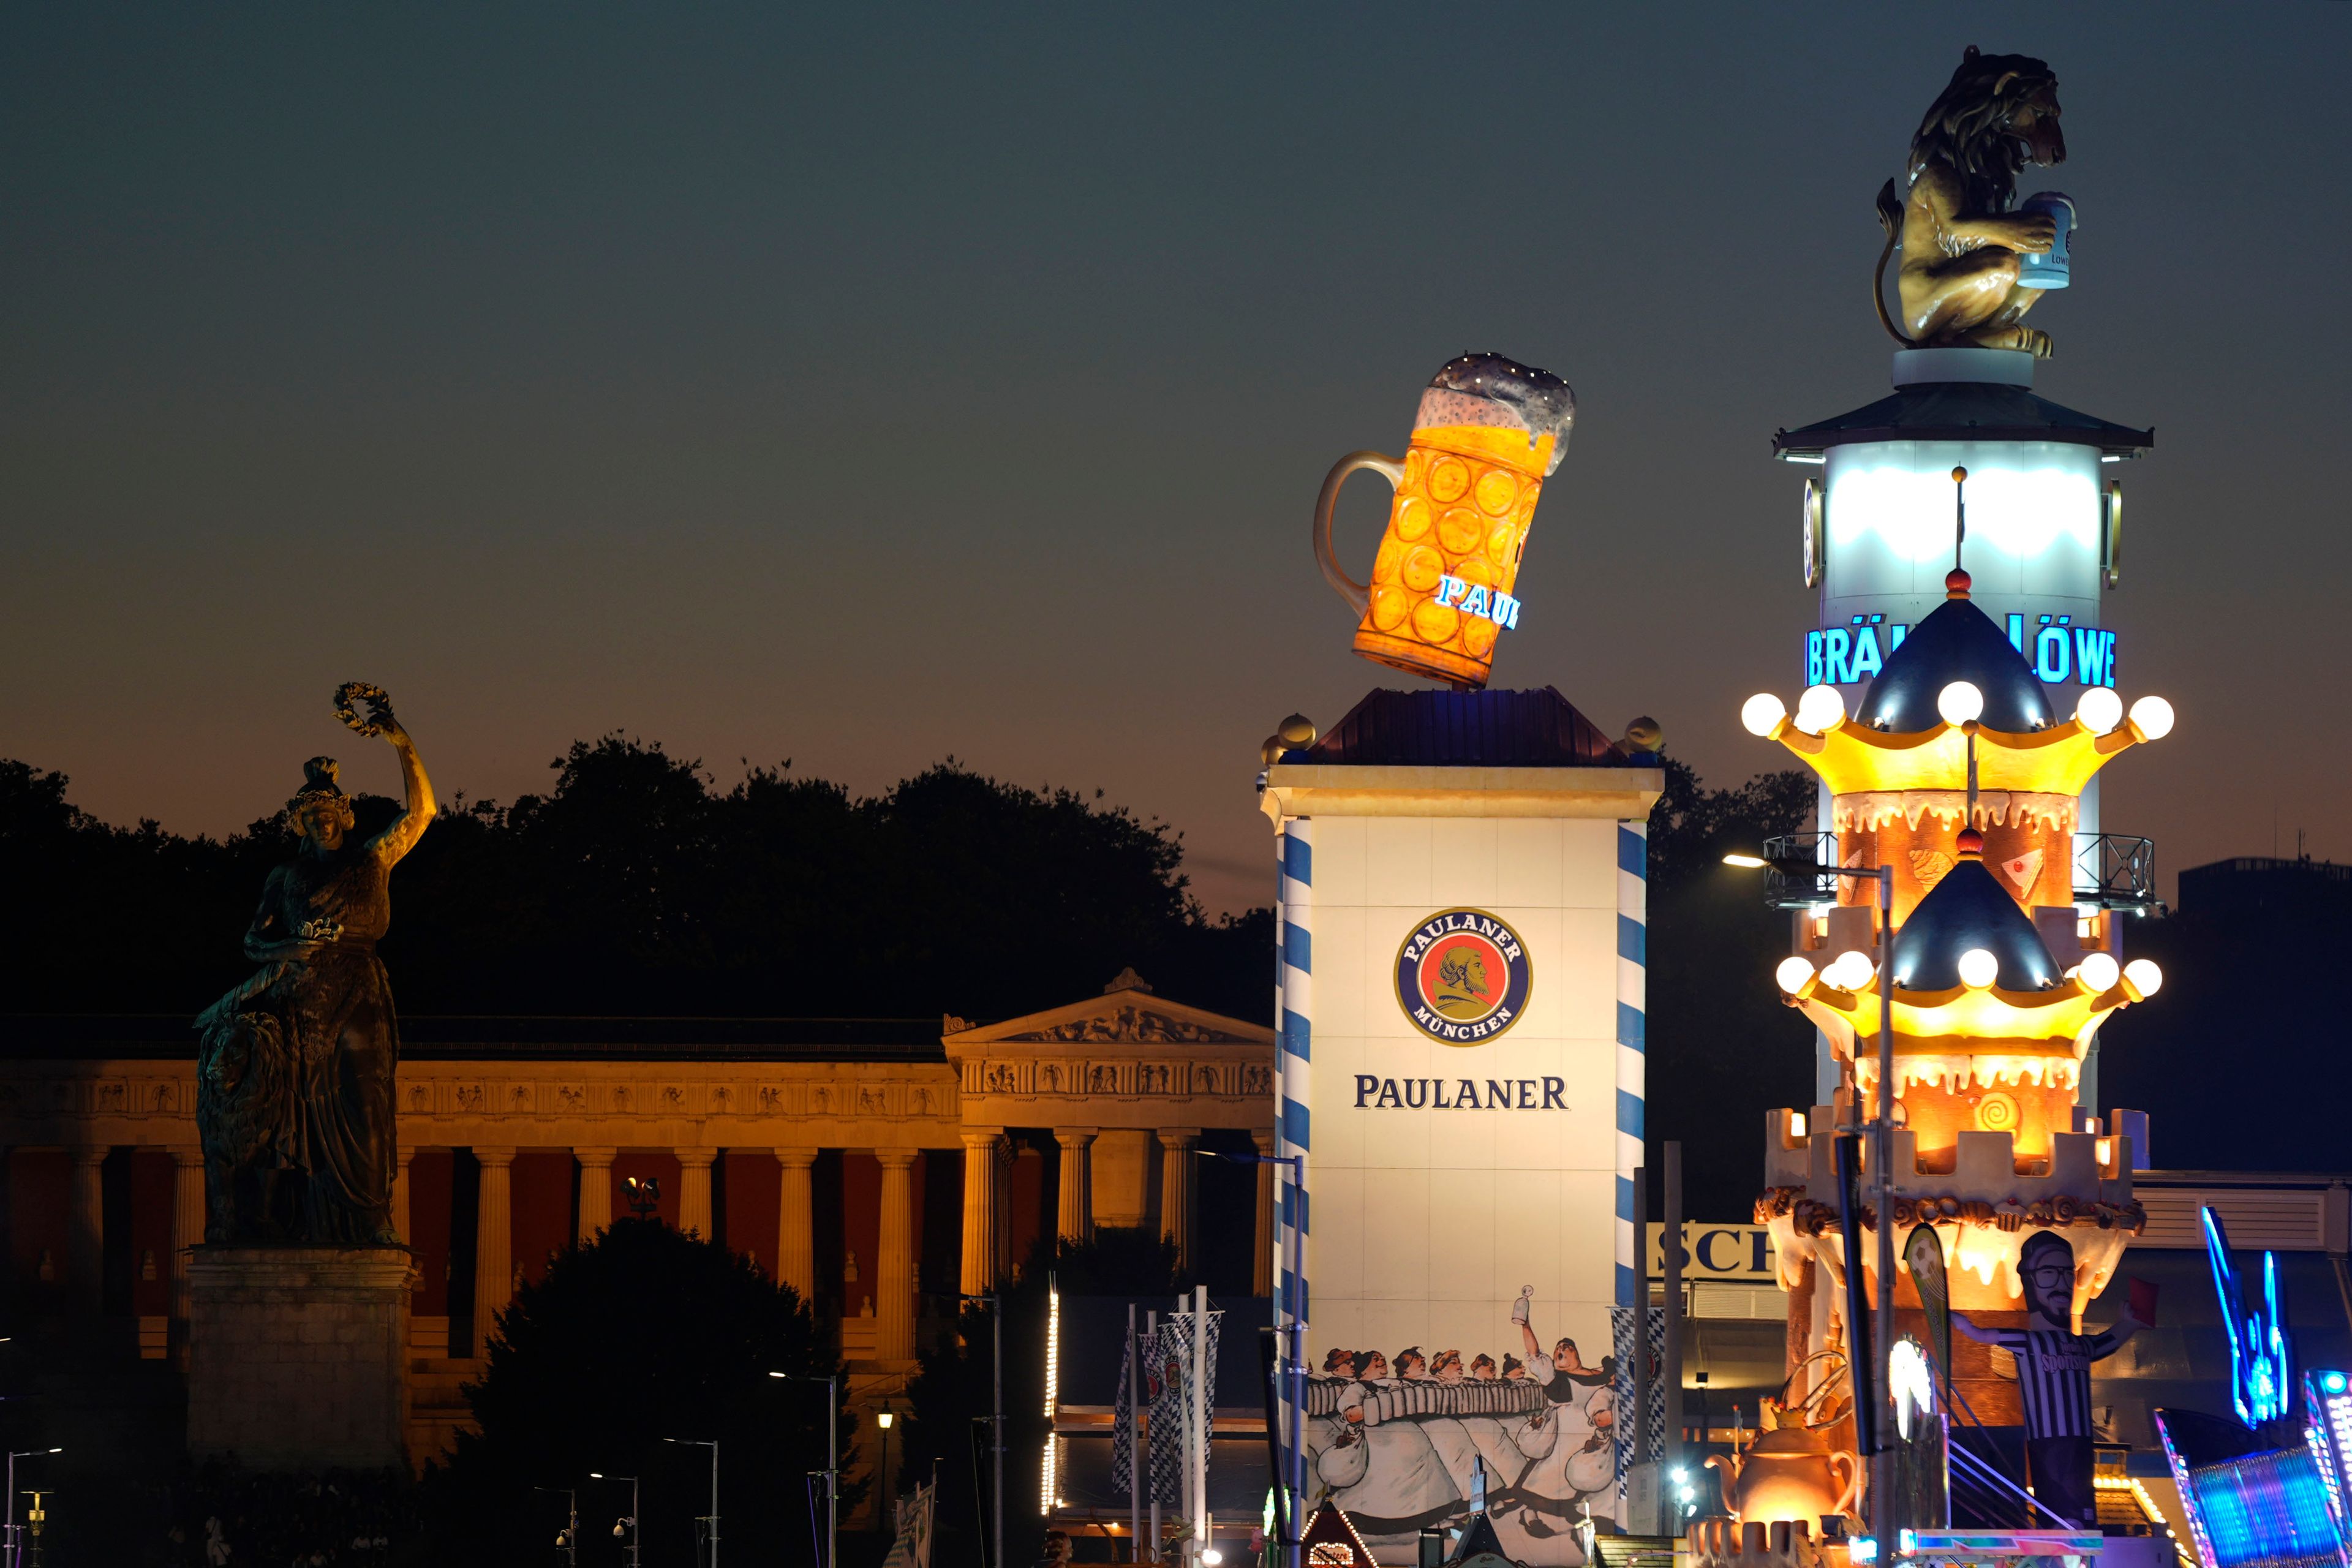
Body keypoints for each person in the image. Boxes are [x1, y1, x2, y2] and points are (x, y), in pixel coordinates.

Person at [196, 694, 435, 1244]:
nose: (322, 822)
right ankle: (283, 1219)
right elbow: (254, 939)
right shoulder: (287, 875)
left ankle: (371, 1217)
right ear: (301, 823)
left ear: (346, 816)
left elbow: (423, 811)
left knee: (367, 1101)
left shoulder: (372, 859)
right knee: (294, 1112)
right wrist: (288, 950)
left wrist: (396, 735)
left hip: (360, 987)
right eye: (311, 817)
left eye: (329, 814)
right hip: (302, 996)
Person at [1951, 1230, 2143, 1528]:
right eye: (2049, 1273)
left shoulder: (2079, 1345)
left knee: (2079, 1506)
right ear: (2030, 1279)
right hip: (2047, 1441)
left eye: (2067, 1274)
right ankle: (2064, 1543)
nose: (2062, 1284)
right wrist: (1954, 1319)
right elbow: (1983, 1334)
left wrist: (2128, 1324)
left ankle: (2073, 1544)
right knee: (2059, 1507)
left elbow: (2107, 1342)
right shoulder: (2029, 1343)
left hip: (2080, 1440)